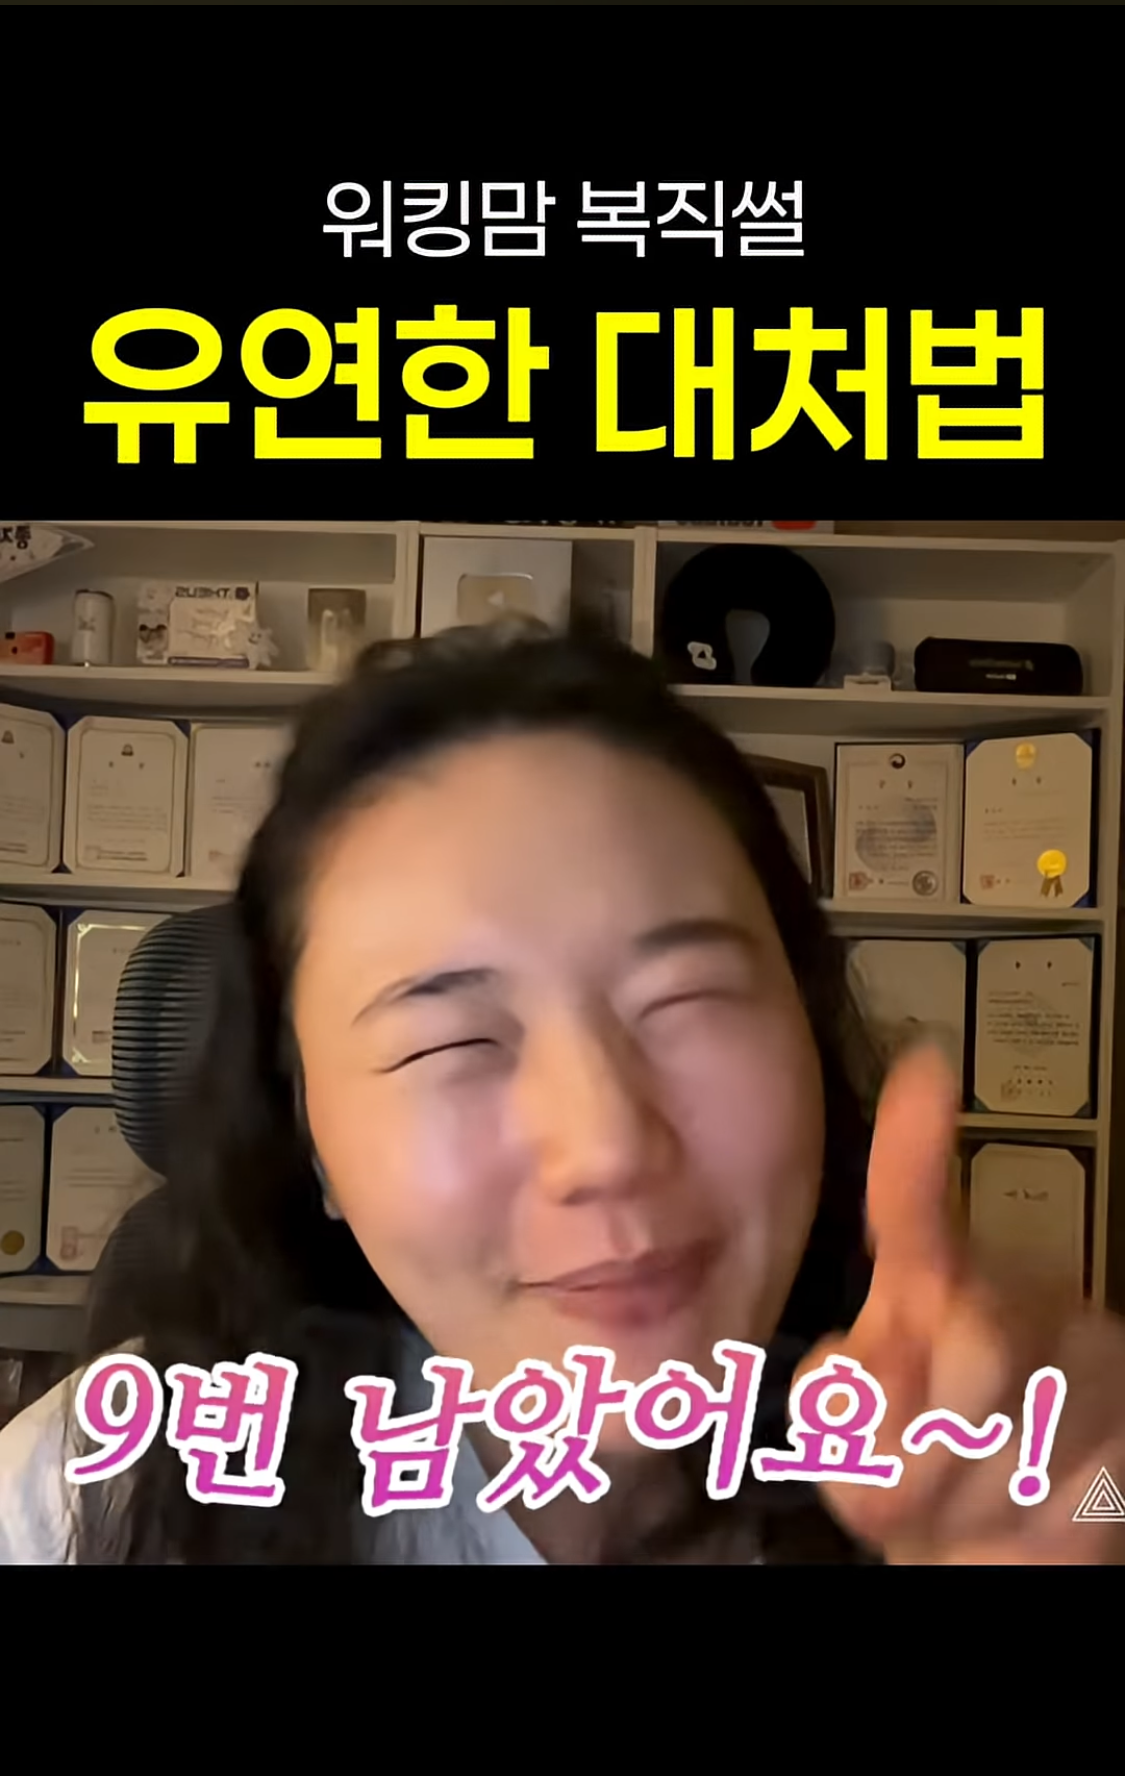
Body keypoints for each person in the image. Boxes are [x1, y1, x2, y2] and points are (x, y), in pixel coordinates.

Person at [1, 623, 1122, 1565]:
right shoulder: (100, 1497)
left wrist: (1095, 1512)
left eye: (688, 999)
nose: (606, 1145)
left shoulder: (985, 1447)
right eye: (451, 1042)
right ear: (312, 1144)